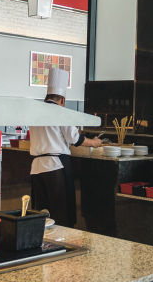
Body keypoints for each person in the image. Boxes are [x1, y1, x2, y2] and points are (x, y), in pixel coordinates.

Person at [28, 67, 102, 227]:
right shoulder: (60, 112)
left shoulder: (35, 112)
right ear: (62, 99)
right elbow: (76, 139)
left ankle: (42, 239)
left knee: (41, 213)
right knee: (60, 214)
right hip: (55, 167)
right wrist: (95, 142)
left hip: (36, 168)